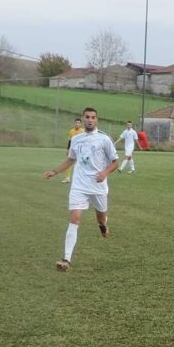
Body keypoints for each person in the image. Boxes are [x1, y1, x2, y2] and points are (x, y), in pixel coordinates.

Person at [44, 106, 118, 271]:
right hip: (79, 185)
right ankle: (66, 259)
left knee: (101, 219)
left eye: (93, 117)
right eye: (87, 117)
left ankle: (103, 225)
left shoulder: (104, 139)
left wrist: (105, 173)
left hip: (98, 186)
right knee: (75, 218)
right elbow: (71, 159)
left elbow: (115, 162)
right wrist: (55, 171)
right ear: (83, 119)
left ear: (96, 120)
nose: (90, 120)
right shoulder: (76, 139)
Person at [65, 117, 82, 182]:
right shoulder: (71, 131)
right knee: (68, 163)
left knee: (78, 165)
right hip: (72, 149)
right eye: (76, 123)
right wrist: (68, 149)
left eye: (79, 123)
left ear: (81, 124)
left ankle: (78, 179)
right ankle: (67, 178)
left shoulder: (83, 131)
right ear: (74, 123)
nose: (77, 124)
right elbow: (70, 141)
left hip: (80, 150)